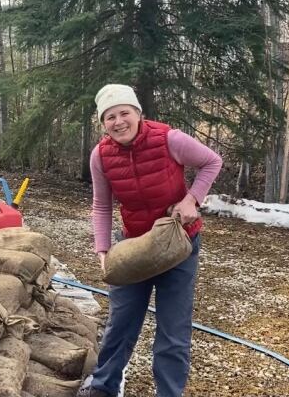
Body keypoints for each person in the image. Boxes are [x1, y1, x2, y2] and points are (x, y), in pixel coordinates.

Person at [77, 84, 223, 397]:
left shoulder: (169, 139)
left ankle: (169, 392)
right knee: (121, 322)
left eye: (124, 113)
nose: (118, 122)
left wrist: (192, 200)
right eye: (110, 117)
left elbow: (212, 162)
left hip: (179, 246)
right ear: (103, 123)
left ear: (138, 113)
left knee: (173, 330)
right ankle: (103, 388)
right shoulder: (101, 156)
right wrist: (103, 249)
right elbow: (101, 205)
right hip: (135, 247)